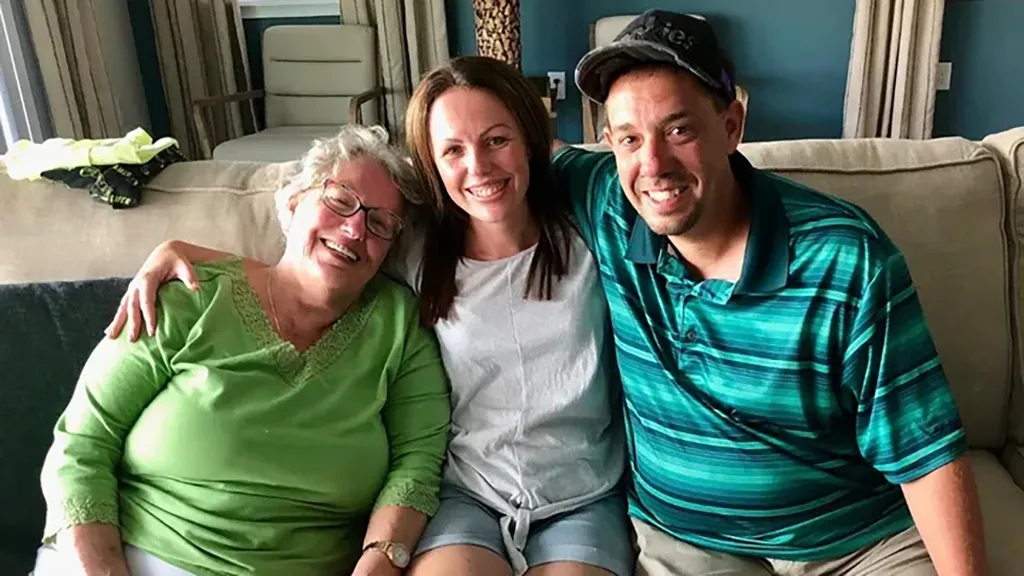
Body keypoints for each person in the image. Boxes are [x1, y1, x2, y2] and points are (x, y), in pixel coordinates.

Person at [104, 56, 633, 576]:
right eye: (453, 150)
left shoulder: (590, 236)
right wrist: (180, 250)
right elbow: (312, 263)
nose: (479, 167)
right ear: (432, 163)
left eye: (497, 140)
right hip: (467, 495)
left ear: (529, 142)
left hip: (582, 499)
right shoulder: (414, 248)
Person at [550, 9, 987, 576]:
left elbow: (924, 452)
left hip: (852, 540)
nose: (652, 164)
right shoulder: (606, 200)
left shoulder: (845, 258)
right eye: (630, 138)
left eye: (679, 130)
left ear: (732, 124)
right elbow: (509, 152)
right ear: (609, 142)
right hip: (690, 540)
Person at [35, 125, 451, 576]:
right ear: (294, 202)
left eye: (380, 223)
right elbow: (82, 444)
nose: (354, 229)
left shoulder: (400, 326)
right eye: (339, 199)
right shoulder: (186, 294)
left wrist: (379, 562)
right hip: (128, 558)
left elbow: (417, 466)